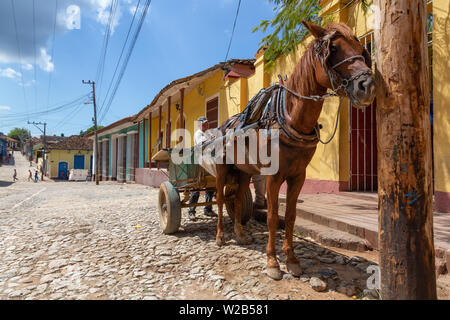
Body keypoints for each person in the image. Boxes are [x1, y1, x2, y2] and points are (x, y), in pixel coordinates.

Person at [188, 116, 216, 220]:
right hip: (200, 161)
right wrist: (213, 140)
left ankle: (208, 209)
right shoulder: (198, 133)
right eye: (204, 123)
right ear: (200, 125)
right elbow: (203, 144)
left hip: (209, 159)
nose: (206, 125)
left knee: (211, 188)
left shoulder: (209, 133)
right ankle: (191, 211)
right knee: (196, 189)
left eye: (207, 123)